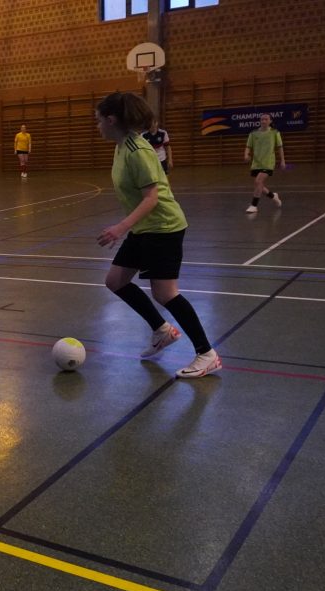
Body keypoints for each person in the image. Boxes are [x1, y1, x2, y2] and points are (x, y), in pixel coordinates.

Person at [94, 92, 221, 379]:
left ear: (111, 120)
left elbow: (151, 197)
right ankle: (162, 331)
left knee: (165, 294)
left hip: (163, 227)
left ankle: (207, 353)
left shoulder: (138, 151)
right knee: (115, 281)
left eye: (98, 120)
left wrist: (120, 227)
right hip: (144, 228)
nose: (97, 125)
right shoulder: (121, 146)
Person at [244, 113, 285, 213]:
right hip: (256, 163)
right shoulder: (253, 133)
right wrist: (246, 155)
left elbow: (280, 147)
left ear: (270, 121)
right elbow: (248, 146)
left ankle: (254, 206)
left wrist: (283, 160)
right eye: (262, 119)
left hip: (268, 163)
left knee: (258, 182)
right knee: (259, 184)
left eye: (266, 119)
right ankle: (273, 196)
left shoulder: (275, 133)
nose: (263, 121)